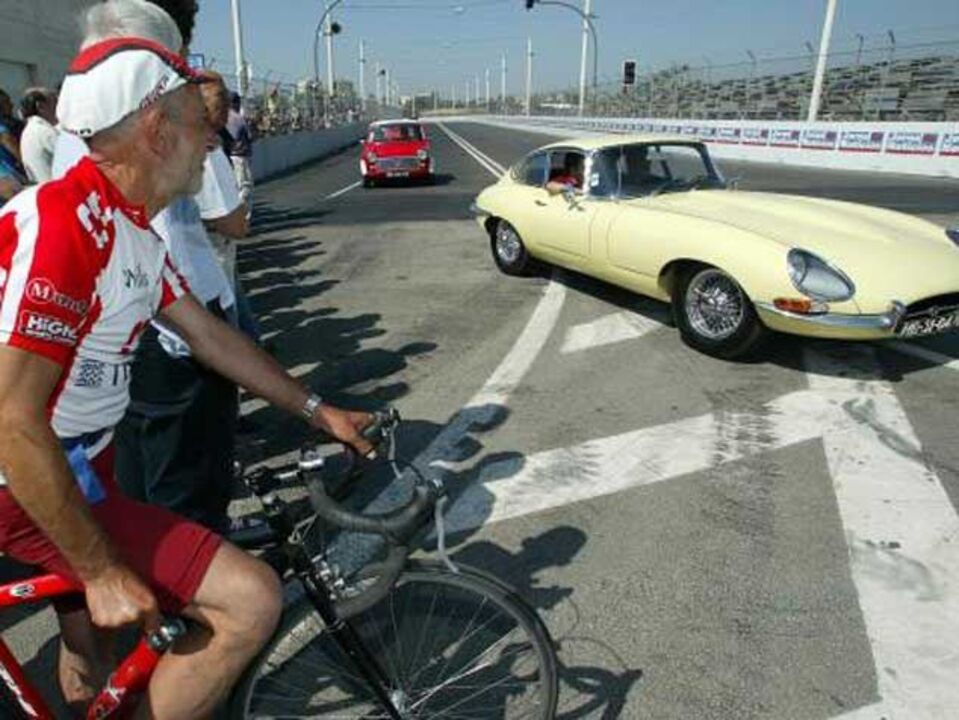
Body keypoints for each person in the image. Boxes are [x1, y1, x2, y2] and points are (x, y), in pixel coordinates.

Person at [0, 9, 373, 720]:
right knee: (248, 599)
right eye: (201, 125)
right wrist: (100, 569)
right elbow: (12, 420)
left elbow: (207, 336)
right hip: (26, 478)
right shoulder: (66, 226)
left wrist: (317, 411)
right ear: (156, 130)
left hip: (82, 461)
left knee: (98, 654)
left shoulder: (130, 228)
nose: (213, 140)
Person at [19, 87, 59, 184]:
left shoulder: (29, 131)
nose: (58, 107)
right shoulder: (43, 131)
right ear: (40, 106)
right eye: (55, 102)